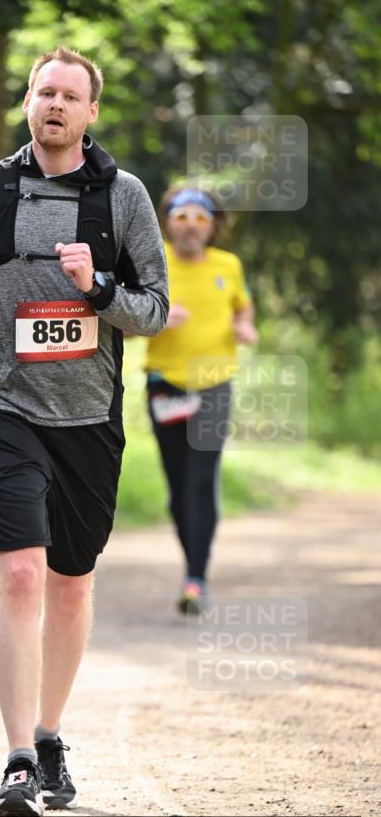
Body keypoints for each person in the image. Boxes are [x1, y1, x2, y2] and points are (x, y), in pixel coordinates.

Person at [0, 46, 168, 817]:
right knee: (21, 573)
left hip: (88, 416)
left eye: (69, 95)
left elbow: (154, 306)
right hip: (2, 404)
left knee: (69, 582)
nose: (54, 105)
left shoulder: (122, 198)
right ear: (27, 103)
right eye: (43, 93)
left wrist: (96, 287)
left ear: (91, 112)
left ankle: (50, 732)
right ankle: (18, 763)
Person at [143, 186, 257, 614]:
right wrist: (155, 318)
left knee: (200, 478)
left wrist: (245, 327)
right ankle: (192, 568)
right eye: (182, 217)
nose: (191, 226)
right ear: (168, 222)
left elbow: (243, 309)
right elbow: (125, 324)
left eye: (200, 218)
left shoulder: (229, 265)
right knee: (177, 486)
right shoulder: (152, 264)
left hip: (214, 385)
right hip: (164, 385)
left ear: (213, 225)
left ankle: (196, 579)